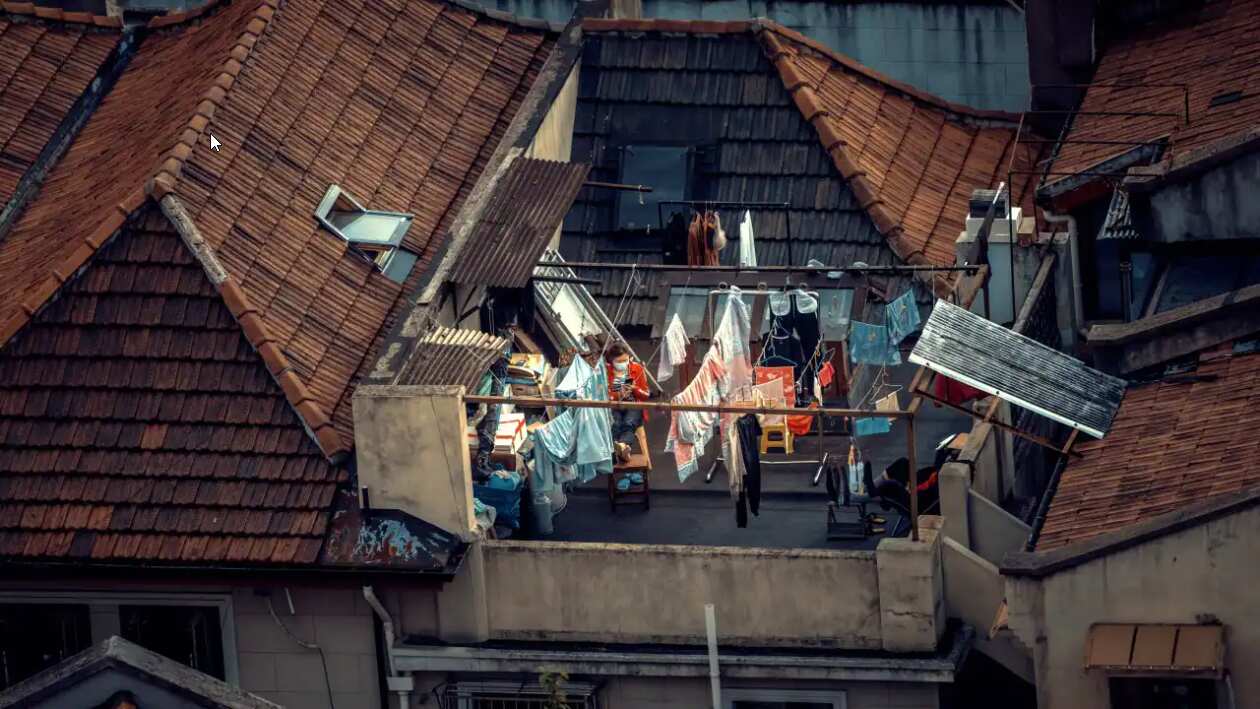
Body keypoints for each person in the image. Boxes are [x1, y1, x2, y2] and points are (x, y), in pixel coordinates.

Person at [604, 343, 649, 462]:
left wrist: (634, 389)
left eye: (626, 360)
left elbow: (646, 395)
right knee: (615, 424)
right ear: (611, 361)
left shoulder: (636, 368)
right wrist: (618, 394)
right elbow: (603, 396)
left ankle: (622, 447)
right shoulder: (605, 372)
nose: (623, 363)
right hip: (614, 406)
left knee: (629, 422)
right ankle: (619, 452)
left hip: (633, 404)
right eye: (619, 361)